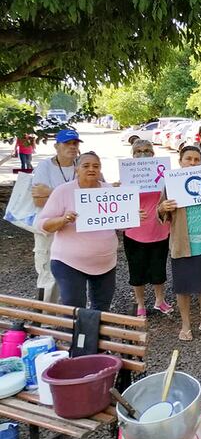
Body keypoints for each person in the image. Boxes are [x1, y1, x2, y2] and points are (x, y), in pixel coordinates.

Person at [35, 152, 122, 311]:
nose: (91, 169)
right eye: (86, 165)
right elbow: (42, 225)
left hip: (106, 263)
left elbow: (122, 224)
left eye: (96, 166)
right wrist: (63, 220)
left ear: (100, 170)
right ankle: (75, 336)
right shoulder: (63, 191)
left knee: (101, 309)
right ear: (77, 169)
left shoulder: (110, 191)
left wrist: (133, 218)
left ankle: (95, 336)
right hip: (69, 263)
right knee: (74, 308)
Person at [158, 145, 201, 341]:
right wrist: (163, 207)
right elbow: (160, 211)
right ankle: (185, 324)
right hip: (182, 244)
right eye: (189, 159)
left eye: (197, 159)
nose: (193, 163)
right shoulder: (171, 183)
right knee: (183, 287)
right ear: (180, 161)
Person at [31, 128, 83, 302]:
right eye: (67, 143)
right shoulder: (45, 166)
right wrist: (74, 199)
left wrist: (51, 193)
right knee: (49, 275)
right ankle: (46, 320)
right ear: (56, 146)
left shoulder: (83, 166)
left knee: (76, 272)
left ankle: (72, 317)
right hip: (49, 229)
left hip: (75, 230)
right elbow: (38, 200)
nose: (72, 147)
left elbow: (93, 198)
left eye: (75, 143)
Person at [122, 140, 173, 317]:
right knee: (137, 269)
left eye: (146, 151)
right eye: (138, 151)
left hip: (159, 229)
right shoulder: (126, 176)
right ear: (133, 154)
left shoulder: (163, 173)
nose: (142, 154)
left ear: (153, 153)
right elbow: (120, 203)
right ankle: (141, 303)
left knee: (159, 268)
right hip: (134, 231)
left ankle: (160, 300)